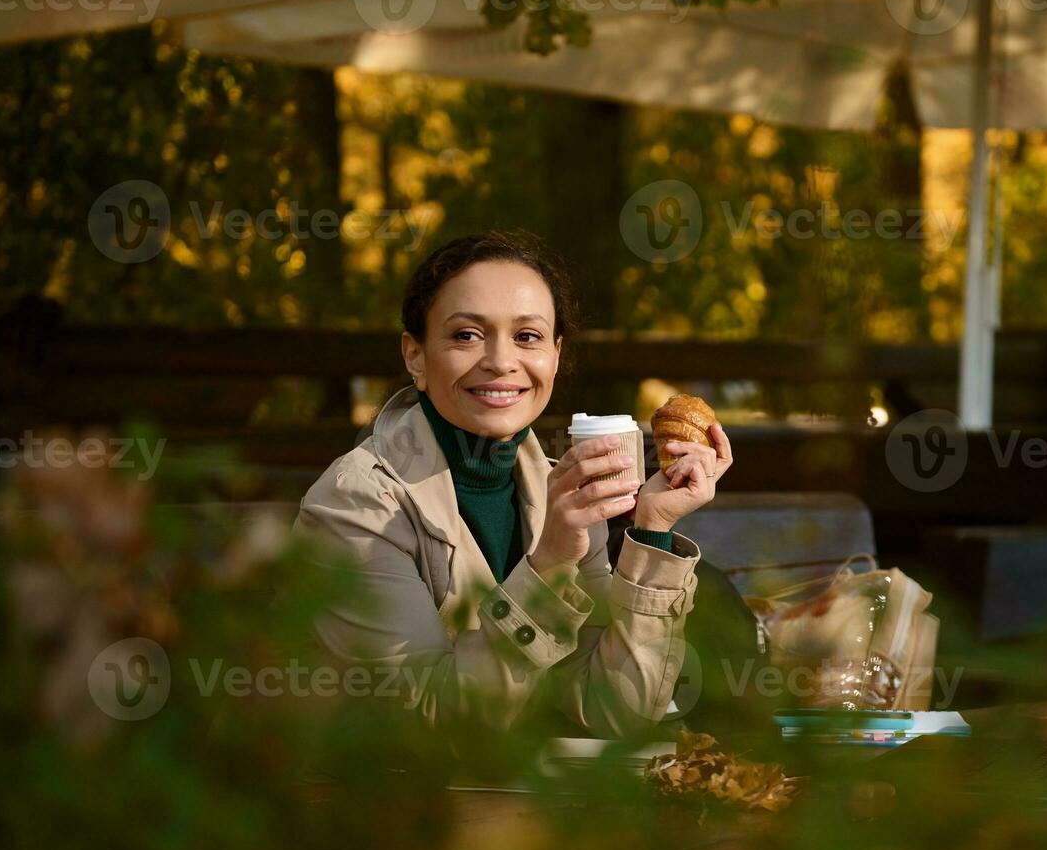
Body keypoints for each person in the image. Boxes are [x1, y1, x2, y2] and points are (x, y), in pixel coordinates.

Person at [294, 231, 733, 739]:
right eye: (466, 335)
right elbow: (433, 728)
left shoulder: (557, 489)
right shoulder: (354, 504)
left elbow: (616, 710)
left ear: (555, 354)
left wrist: (652, 530)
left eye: (527, 337)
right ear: (415, 357)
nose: (501, 361)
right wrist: (546, 565)